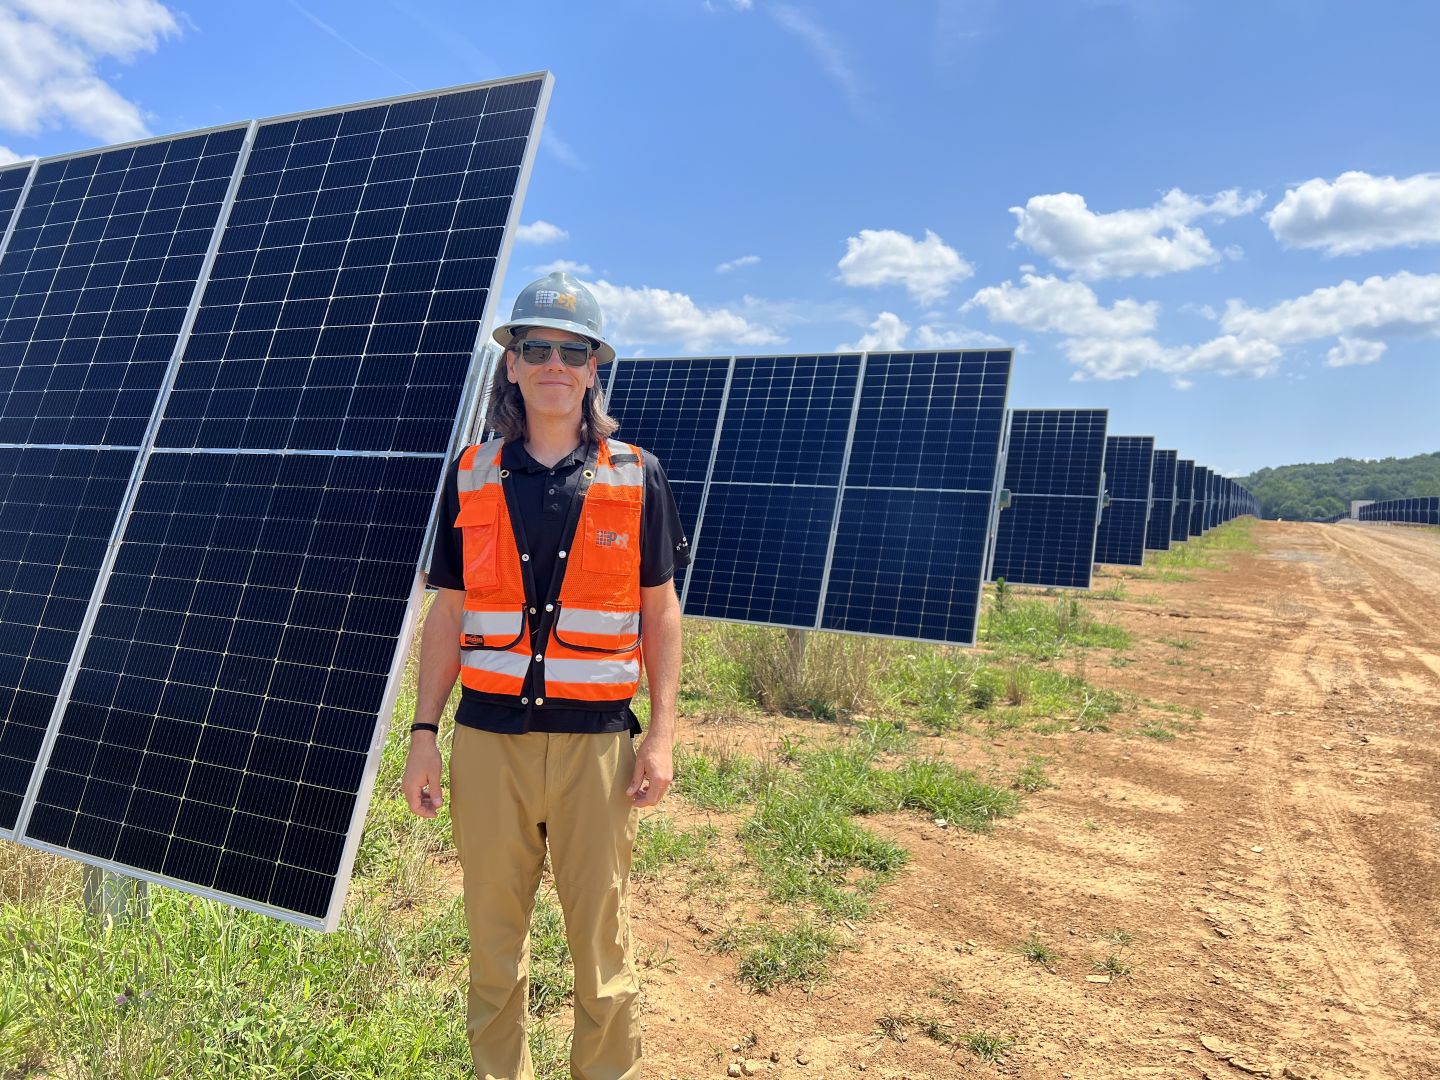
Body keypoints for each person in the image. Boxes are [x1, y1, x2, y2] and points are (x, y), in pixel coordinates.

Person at [401, 272, 687, 1080]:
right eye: (537, 349)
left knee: (602, 952)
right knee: (493, 952)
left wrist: (661, 735)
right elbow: (449, 615)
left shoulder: (638, 474)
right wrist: (423, 734)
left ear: (595, 366)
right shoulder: (471, 473)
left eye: (572, 350)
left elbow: (660, 613)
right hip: (488, 744)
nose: (554, 363)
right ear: (513, 366)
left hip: (597, 747)